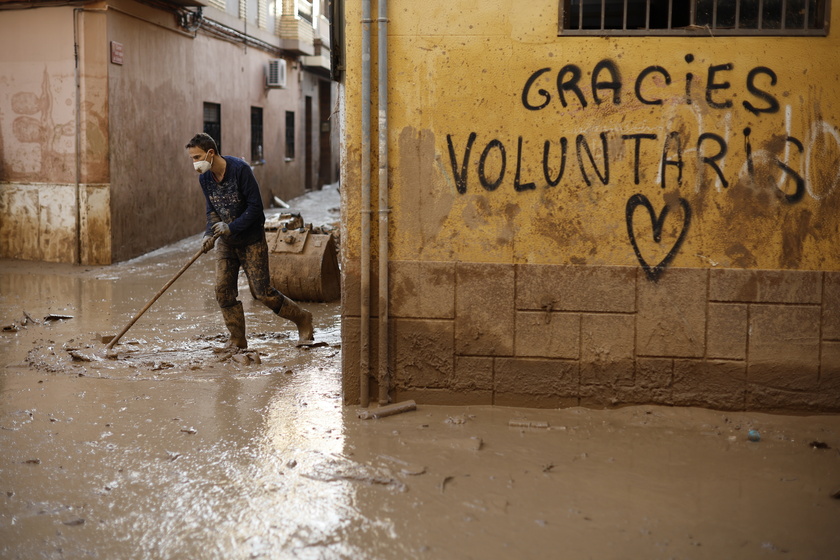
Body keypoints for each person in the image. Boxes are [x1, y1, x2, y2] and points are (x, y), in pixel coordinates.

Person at [185, 132, 314, 349]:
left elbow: (256, 208)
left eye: (197, 157)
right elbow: (212, 211)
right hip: (226, 243)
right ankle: (237, 339)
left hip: (251, 239)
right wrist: (209, 234)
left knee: (263, 293)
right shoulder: (205, 178)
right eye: (192, 159)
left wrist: (231, 227)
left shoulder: (239, 170)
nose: (195, 163)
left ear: (210, 153)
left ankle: (303, 319)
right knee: (223, 291)